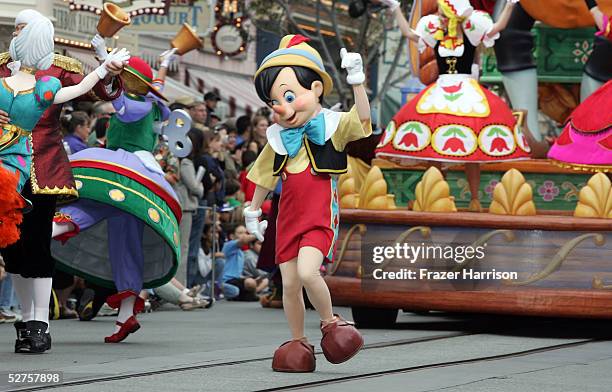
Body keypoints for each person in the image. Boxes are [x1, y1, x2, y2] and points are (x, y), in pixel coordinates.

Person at [0, 11, 126, 354]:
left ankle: (40, 322)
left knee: (37, 242)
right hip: (6, 169)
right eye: (15, 29)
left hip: (43, 166)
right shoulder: (1, 66)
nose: (17, 34)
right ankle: (25, 319)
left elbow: (99, 91)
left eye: (22, 29)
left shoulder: (59, 67)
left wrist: (108, 67)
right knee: (11, 248)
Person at [243, 34, 368, 372]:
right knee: (290, 285)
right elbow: (264, 177)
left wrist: (357, 81)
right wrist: (253, 210)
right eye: (275, 101)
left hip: (318, 219)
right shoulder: (277, 138)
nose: (281, 106)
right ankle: (298, 341)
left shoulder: (332, 126)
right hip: (287, 221)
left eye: (288, 96)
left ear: (314, 89)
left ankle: (331, 324)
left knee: (308, 272)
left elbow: (363, 121)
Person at [50, 47, 183, 344]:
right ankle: (125, 315)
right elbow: (154, 87)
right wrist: (161, 64)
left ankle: (59, 225)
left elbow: (120, 104)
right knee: (127, 243)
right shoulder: (153, 98)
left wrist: (107, 70)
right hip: (140, 171)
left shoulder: (140, 103)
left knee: (98, 203)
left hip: (128, 165)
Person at [374, 0, 528, 211]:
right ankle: (434, 194)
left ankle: (475, 199)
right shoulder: (434, 31)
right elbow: (410, 35)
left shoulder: (472, 30)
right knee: (433, 145)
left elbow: (496, 28)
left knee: (473, 147)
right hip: (441, 90)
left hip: (467, 92)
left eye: (445, 14)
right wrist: (396, 8)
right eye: (442, 14)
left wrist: (510, 6)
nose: (442, 17)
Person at [174, 128, 204, 272]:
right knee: (183, 247)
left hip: (181, 206)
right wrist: (201, 185)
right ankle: (180, 285)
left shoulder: (177, 160)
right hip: (185, 207)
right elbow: (195, 187)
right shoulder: (185, 162)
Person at [221, 224, 258, 300]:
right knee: (250, 283)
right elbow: (243, 240)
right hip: (226, 281)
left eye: (245, 233)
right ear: (232, 236)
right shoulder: (228, 245)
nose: (244, 235)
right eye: (240, 233)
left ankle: (239, 295)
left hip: (236, 280)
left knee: (262, 281)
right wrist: (259, 233)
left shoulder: (241, 252)